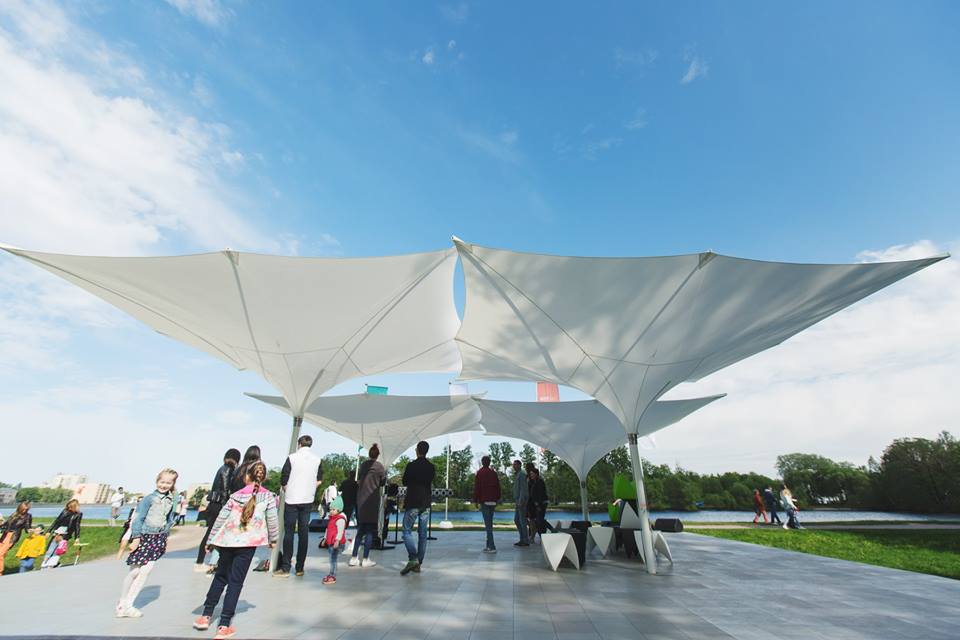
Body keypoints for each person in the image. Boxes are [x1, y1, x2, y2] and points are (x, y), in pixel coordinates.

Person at [193, 460, 278, 640]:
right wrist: (273, 539)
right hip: (247, 544)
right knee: (235, 582)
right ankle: (224, 624)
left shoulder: (235, 496)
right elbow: (272, 520)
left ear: (246, 477)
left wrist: (210, 539)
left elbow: (221, 518)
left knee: (220, 577)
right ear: (264, 477)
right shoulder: (268, 497)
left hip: (227, 541)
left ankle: (205, 616)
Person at [115, 468, 179, 618]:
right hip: (144, 537)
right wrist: (136, 538)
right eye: (162, 482)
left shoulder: (171, 499)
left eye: (168, 483)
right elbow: (138, 519)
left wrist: (165, 534)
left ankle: (129, 605)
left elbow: (170, 518)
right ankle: (122, 602)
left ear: (172, 484)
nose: (164, 485)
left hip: (158, 538)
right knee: (134, 572)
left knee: (145, 571)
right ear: (157, 481)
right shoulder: (149, 499)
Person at [275, 434, 323, 578]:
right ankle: (300, 567)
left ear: (299, 444)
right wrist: (310, 488)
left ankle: (285, 566)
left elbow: (284, 478)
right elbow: (319, 480)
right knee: (303, 533)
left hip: (292, 499)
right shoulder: (317, 460)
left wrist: (288, 489)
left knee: (289, 533)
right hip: (307, 499)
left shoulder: (292, 458)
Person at [196, 448, 241, 572]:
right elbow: (225, 490)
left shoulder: (222, 468)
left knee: (211, 533)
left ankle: (204, 561)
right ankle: (200, 562)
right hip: (219, 505)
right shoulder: (228, 469)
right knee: (212, 533)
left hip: (214, 504)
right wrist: (228, 505)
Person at [400, 441, 436, 576]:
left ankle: (413, 558)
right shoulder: (431, 467)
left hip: (413, 501)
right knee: (423, 534)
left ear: (417, 450)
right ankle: (418, 563)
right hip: (425, 502)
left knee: (406, 531)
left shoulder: (411, 465)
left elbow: (404, 481)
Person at [349, 443, 386, 568]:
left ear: (369, 454)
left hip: (361, 499)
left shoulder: (363, 465)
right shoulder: (380, 467)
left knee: (360, 530)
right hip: (372, 500)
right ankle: (365, 558)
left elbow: (359, 479)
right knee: (370, 531)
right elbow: (383, 482)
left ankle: (354, 557)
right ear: (378, 455)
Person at [474, 455, 501, 554]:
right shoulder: (493, 473)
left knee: (488, 525)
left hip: (484, 500)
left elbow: (477, 487)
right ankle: (488, 545)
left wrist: (475, 500)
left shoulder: (480, 473)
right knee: (489, 524)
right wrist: (498, 498)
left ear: (482, 462)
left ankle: (492, 546)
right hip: (493, 501)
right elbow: (498, 487)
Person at [45, 499, 82, 565]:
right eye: (68, 507)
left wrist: (77, 538)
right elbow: (56, 521)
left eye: (70, 507)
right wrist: (49, 531)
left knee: (59, 550)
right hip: (58, 533)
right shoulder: (65, 512)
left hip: (66, 534)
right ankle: (45, 563)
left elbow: (77, 526)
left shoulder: (78, 514)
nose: (69, 508)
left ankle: (52, 564)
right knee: (51, 548)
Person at [0, 501, 33, 575]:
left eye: (26, 510)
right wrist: (1, 524)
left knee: (0, 554)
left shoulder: (28, 516)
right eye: (23, 509)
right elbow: (6, 524)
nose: (24, 511)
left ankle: (0, 572)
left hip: (13, 537)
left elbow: (27, 527)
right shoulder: (14, 514)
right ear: (19, 508)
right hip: (5, 535)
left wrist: (29, 530)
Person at [322, 496, 348, 585]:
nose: (331, 511)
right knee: (332, 559)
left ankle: (332, 575)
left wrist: (337, 541)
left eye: (333, 509)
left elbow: (340, 532)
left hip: (336, 543)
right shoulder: (332, 519)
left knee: (333, 559)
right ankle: (331, 574)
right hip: (331, 543)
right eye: (330, 509)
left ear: (339, 510)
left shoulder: (340, 520)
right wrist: (324, 539)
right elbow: (328, 529)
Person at [511, 460, 530, 547]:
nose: (513, 466)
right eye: (513, 465)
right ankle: (522, 539)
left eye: (515, 464)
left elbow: (523, 488)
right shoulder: (518, 474)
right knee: (517, 520)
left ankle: (525, 540)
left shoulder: (522, 474)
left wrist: (521, 501)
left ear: (519, 465)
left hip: (521, 501)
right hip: (517, 501)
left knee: (522, 521)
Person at [527, 467, 549, 542]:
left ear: (536, 474)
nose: (531, 475)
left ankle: (544, 536)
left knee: (540, 521)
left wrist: (538, 505)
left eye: (532, 474)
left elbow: (540, 494)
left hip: (540, 504)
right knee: (539, 521)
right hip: (536, 505)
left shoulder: (540, 482)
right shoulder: (534, 482)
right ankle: (542, 537)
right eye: (530, 474)